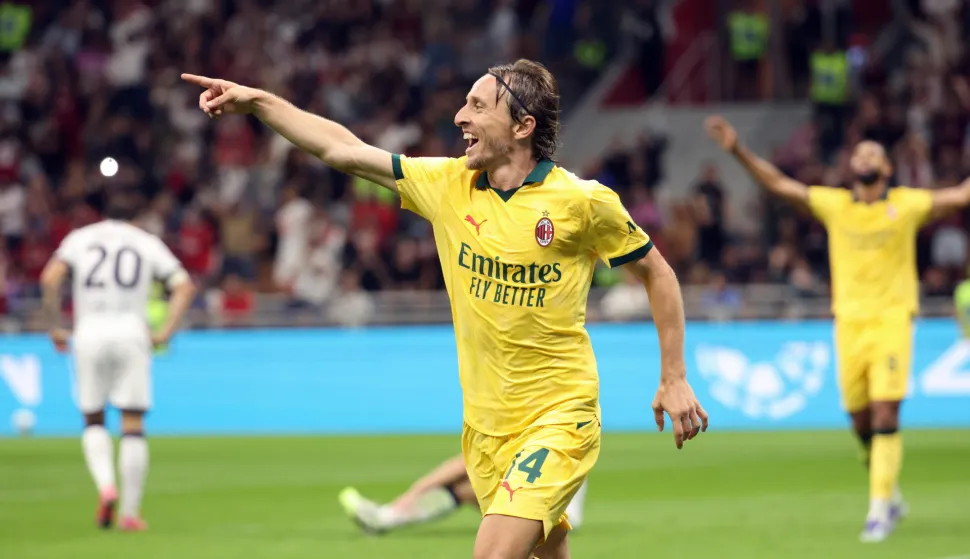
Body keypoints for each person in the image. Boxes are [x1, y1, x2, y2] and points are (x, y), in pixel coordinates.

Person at [183, 59, 708, 559]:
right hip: (484, 426)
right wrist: (258, 103)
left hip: (559, 415)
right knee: (547, 549)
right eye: (464, 104)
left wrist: (674, 375)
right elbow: (342, 149)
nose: (460, 117)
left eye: (478, 107)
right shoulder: (445, 185)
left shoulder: (582, 202)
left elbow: (657, 272)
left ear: (523, 126)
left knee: (494, 550)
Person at [706, 115, 970, 543]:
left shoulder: (906, 204)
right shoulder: (836, 205)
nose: (864, 156)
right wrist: (738, 148)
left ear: (886, 170)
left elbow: (959, 195)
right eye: (858, 152)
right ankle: (889, 490)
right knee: (860, 419)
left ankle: (879, 509)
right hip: (848, 323)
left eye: (873, 153)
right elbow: (778, 184)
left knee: (887, 411)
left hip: (891, 321)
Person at [39, 190, 196, 531]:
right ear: (136, 214)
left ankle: (106, 486)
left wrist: (55, 327)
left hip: (89, 332)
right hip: (132, 334)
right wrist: (165, 331)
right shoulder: (146, 242)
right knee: (133, 424)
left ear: (100, 212)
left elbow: (49, 278)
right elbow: (184, 286)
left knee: (93, 418)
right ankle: (130, 512)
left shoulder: (80, 238)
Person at [338, 455, 589, 534]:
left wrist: (416, 490)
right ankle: (389, 517)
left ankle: (389, 516)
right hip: (551, 504)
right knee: (470, 483)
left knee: (469, 482)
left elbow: (466, 464)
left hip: (557, 512)